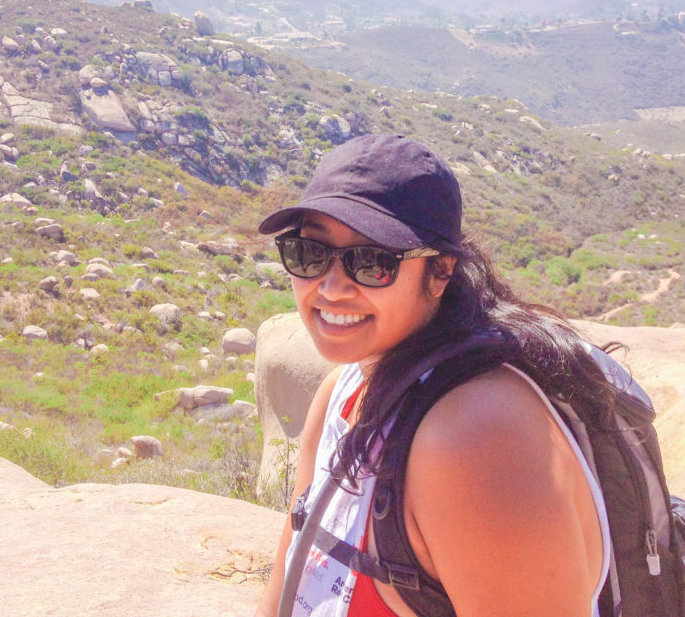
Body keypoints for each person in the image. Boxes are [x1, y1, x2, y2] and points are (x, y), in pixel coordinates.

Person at [253, 134, 613, 617]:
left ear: (441, 271)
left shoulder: (478, 441)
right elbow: (290, 577)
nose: (331, 287)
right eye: (309, 254)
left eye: (373, 262)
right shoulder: (341, 393)